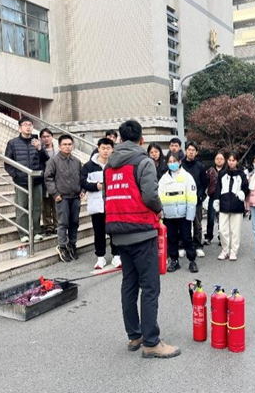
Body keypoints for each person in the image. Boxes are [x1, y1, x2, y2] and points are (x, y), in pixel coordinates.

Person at [104, 120, 180, 358]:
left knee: (129, 284)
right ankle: (151, 342)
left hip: (118, 232)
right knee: (149, 287)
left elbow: (108, 196)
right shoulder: (143, 161)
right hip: (141, 230)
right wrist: (159, 210)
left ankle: (134, 335)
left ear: (119, 139)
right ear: (142, 140)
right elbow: (149, 195)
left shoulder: (109, 166)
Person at [4, 117, 48, 242]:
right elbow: (7, 162)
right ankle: (23, 233)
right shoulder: (12, 143)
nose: (28, 127)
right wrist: (15, 175)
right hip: (21, 181)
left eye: (30, 124)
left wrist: (40, 149)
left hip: (36, 180)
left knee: (37, 207)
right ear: (19, 128)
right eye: (25, 124)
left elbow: (45, 159)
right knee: (22, 207)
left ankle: (36, 231)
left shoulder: (38, 142)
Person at [81, 137, 120, 269]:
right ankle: (100, 257)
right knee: (99, 232)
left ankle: (116, 256)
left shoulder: (115, 164)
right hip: (97, 205)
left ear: (112, 149)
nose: (105, 151)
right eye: (103, 148)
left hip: (113, 204)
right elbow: (82, 182)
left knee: (115, 231)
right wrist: (94, 186)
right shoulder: (89, 166)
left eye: (108, 148)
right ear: (98, 148)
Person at [44, 135, 84, 262]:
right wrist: (55, 194)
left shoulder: (76, 161)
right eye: (65, 144)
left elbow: (82, 177)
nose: (67, 147)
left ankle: (72, 244)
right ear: (59, 146)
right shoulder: (53, 161)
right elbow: (48, 178)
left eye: (69, 144)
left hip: (75, 196)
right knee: (63, 223)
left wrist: (82, 190)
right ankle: (62, 246)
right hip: (62, 197)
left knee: (74, 222)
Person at [159, 152, 198, 273]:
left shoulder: (187, 177)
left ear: (180, 162)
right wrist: (161, 212)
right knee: (172, 239)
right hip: (169, 215)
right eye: (170, 162)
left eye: (174, 161)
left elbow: (192, 197)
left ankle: (192, 260)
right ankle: (174, 260)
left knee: (187, 238)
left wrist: (190, 214)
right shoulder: (164, 179)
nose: (172, 164)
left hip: (184, 214)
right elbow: (159, 196)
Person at [213, 151, 248, 261]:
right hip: (224, 205)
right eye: (229, 160)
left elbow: (246, 187)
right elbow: (218, 188)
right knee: (222, 230)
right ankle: (225, 250)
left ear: (237, 161)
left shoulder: (242, 174)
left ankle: (234, 251)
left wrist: (243, 193)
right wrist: (217, 200)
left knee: (235, 230)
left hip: (237, 206)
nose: (231, 162)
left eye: (233, 160)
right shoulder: (222, 174)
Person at [182, 141, 208, 257]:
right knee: (184, 224)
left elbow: (204, 182)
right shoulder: (181, 165)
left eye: (193, 150)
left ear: (196, 152)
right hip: (183, 199)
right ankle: (184, 245)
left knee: (197, 224)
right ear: (185, 151)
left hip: (196, 199)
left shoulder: (200, 166)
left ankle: (198, 245)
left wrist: (200, 195)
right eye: (189, 150)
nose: (191, 152)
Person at [205, 152, 226, 246]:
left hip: (223, 197)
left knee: (222, 219)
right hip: (213, 196)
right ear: (214, 160)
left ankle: (222, 237)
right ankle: (208, 237)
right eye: (217, 158)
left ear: (224, 160)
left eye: (221, 159)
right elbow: (206, 183)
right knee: (210, 218)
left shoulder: (226, 171)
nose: (219, 160)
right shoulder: (210, 171)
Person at [40, 128, 58, 236]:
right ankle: (48, 226)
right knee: (46, 205)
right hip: (44, 180)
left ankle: (57, 225)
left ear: (52, 137)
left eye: (48, 136)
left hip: (57, 180)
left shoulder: (58, 150)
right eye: (44, 137)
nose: (46, 139)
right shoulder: (39, 150)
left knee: (56, 204)